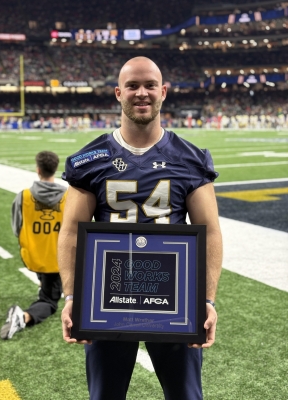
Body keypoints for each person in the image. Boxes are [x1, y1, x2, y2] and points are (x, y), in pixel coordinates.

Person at [58, 56, 223, 400]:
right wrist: (73, 295)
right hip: (107, 298)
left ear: (163, 92)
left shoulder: (190, 159)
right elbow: (72, 232)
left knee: (186, 394)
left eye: (150, 85)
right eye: (132, 86)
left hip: (176, 299)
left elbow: (209, 232)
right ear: (118, 93)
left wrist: (206, 299)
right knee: (105, 394)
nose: (142, 93)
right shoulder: (90, 159)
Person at [0, 151, 67, 340]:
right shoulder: (68, 196)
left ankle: (42, 282)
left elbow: (17, 227)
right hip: (57, 257)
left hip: (33, 254)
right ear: (55, 169)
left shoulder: (24, 196)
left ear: (38, 170)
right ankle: (23, 317)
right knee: (50, 302)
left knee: (45, 275)